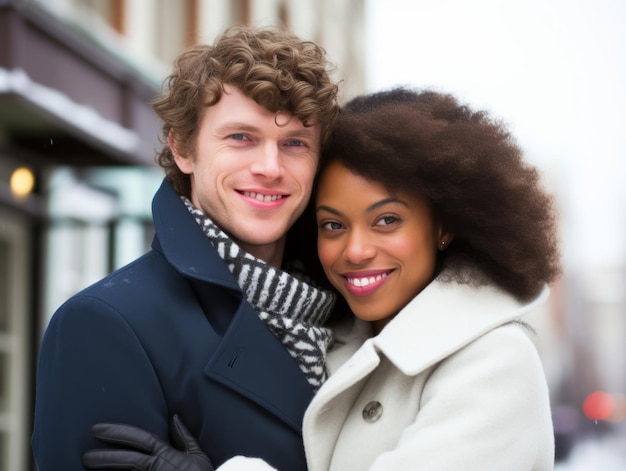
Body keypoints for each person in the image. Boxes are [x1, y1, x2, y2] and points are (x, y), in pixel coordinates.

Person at [82, 87, 561, 470]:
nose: (354, 250)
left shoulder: (495, 363)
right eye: (333, 225)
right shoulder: (325, 343)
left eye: (387, 220)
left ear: (443, 226)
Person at [32, 24, 340, 471]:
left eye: (294, 143)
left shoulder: (350, 313)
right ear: (183, 148)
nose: (270, 168)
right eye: (241, 137)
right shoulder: (106, 324)